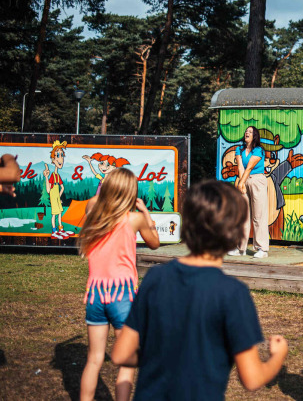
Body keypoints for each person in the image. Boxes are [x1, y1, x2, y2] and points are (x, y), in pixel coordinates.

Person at [111, 180, 288, 399]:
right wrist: (277, 357)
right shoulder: (233, 294)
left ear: (187, 225)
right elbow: (252, 379)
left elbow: (120, 354)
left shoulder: (155, 278)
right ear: (234, 233)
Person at [78, 168, 160, 401]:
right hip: (122, 295)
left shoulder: (93, 211)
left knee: (94, 359)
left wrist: (106, 188)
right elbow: (154, 243)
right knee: (128, 360)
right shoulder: (133, 219)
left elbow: (96, 200)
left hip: (94, 294)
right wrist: (144, 210)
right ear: (131, 193)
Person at [229, 126, 269, 258]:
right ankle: (241, 249)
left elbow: (250, 167)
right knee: (243, 215)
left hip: (257, 181)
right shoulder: (239, 149)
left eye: (250, 132)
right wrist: (242, 183)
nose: (247, 133)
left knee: (258, 216)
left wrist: (241, 183)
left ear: (255, 136)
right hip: (244, 180)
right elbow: (240, 166)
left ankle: (262, 249)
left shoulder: (259, 150)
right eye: (246, 131)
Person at [43, 140, 68, 239]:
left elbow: (62, 187)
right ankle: (54, 230)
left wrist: (59, 196)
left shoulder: (58, 175)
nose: (61, 158)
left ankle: (61, 229)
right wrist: (46, 177)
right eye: (58, 155)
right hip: (53, 198)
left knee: (60, 213)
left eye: (62, 155)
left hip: (57, 198)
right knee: (54, 215)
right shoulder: (52, 176)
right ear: (53, 160)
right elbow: (49, 190)